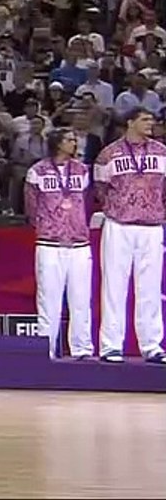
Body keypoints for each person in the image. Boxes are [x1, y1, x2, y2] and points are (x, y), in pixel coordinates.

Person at [92, 107, 166, 364]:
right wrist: (119, 207)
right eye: (145, 119)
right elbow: (100, 189)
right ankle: (111, 345)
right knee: (114, 284)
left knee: (150, 287)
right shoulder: (108, 154)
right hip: (119, 225)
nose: (151, 123)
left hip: (152, 225)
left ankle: (152, 345)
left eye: (152, 120)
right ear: (130, 122)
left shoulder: (161, 152)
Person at [24, 129, 94, 359]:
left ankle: (82, 348)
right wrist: (47, 226)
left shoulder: (82, 170)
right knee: (48, 299)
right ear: (57, 143)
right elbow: (31, 205)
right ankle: (48, 349)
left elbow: (87, 201)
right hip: (49, 243)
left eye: (75, 139)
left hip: (79, 243)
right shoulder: (37, 172)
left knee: (81, 298)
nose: (74, 143)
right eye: (70, 139)